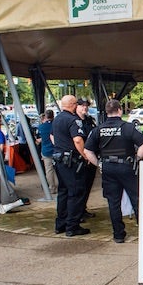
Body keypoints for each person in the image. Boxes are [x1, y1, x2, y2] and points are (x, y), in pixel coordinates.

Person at [85, 99, 143, 243]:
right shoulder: (128, 127)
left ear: (107, 112)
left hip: (108, 168)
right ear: (120, 110)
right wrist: (137, 158)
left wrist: (99, 164)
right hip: (127, 166)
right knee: (136, 199)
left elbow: (87, 150)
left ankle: (118, 234)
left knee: (113, 202)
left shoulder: (99, 129)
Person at [52, 95, 90, 237]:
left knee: (63, 192)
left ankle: (60, 224)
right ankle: (72, 226)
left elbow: (53, 137)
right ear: (73, 105)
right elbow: (78, 140)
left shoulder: (57, 119)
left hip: (59, 160)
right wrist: (85, 155)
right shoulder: (73, 120)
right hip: (72, 161)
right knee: (76, 192)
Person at [76, 98, 98, 218]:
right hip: (80, 159)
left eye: (86, 106)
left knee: (87, 185)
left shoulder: (89, 120)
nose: (85, 108)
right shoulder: (73, 120)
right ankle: (77, 213)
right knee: (79, 187)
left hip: (91, 157)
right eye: (82, 105)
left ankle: (82, 209)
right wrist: (85, 156)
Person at [37, 109, 57, 194]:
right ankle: (62, 185)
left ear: (45, 116)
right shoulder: (56, 125)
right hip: (57, 150)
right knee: (59, 169)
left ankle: (52, 188)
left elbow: (38, 138)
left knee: (49, 170)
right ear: (53, 116)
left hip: (46, 151)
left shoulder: (41, 127)